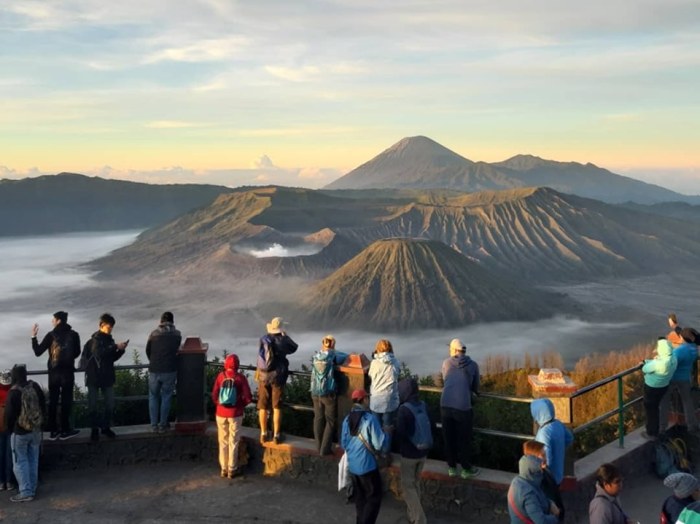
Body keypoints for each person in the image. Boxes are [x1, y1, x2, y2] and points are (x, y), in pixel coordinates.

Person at [30, 311, 81, 440]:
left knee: (53, 401)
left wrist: (33, 337)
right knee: (66, 401)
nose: (52, 321)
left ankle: (53, 431)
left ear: (58, 320)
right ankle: (65, 430)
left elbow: (38, 352)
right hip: (68, 372)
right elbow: (77, 352)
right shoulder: (74, 335)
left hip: (54, 373)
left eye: (53, 319)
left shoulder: (50, 335)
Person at [341, 389, 388, 524]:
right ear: (363, 400)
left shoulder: (346, 419)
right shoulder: (369, 419)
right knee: (374, 497)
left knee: (360, 499)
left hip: (353, 466)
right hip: (368, 466)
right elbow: (379, 444)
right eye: (367, 398)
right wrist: (388, 434)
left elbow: (344, 444)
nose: (369, 400)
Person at [80, 312, 128, 442]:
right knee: (93, 405)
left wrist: (121, 350)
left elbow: (111, 358)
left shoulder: (109, 340)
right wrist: (115, 346)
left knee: (110, 404)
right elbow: (99, 353)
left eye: (112, 326)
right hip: (93, 377)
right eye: (109, 326)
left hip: (106, 376)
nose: (111, 328)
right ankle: (94, 429)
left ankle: (105, 427)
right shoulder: (95, 340)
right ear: (101, 325)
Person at [4, 364, 46, 503]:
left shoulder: (14, 392)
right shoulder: (35, 387)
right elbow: (43, 404)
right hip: (35, 430)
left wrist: (11, 430)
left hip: (20, 432)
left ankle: (25, 492)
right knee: (33, 459)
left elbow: (9, 415)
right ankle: (32, 488)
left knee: (20, 462)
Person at [440, 338, 480, 478]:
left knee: (448, 437)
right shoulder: (473, 365)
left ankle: (451, 467)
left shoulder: (446, 363)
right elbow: (475, 387)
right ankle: (465, 469)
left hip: (445, 404)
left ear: (453, 350)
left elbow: (446, 380)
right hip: (463, 406)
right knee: (464, 438)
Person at [256, 317, 298, 445]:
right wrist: (286, 336)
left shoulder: (264, 339)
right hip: (278, 376)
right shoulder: (282, 340)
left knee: (262, 405)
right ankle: (276, 435)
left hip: (263, 375)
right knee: (276, 406)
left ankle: (263, 433)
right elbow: (294, 347)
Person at [211, 353, 252, 479]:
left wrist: (219, 404)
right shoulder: (240, 378)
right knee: (233, 441)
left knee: (223, 441)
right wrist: (240, 405)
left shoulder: (220, 376)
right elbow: (248, 398)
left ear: (226, 364)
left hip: (221, 413)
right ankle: (232, 469)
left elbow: (214, 395)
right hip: (236, 413)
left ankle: (223, 468)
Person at [397, 377, 430, 524]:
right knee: (415, 483)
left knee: (407, 487)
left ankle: (419, 519)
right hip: (423, 452)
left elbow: (401, 433)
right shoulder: (423, 405)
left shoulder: (404, 410)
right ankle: (412, 515)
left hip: (409, 454)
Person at [310, 335, 348, 455]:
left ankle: (318, 446)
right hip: (328, 393)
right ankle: (324, 449)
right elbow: (347, 357)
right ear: (333, 344)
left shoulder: (316, 356)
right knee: (330, 421)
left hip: (315, 392)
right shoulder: (333, 356)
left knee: (318, 419)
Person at [145, 311, 182, 433]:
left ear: (160, 321)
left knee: (153, 396)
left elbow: (148, 350)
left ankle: (154, 425)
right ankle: (162, 425)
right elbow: (178, 350)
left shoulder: (153, 334)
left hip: (155, 369)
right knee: (166, 397)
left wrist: (153, 361)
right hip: (170, 370)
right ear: (173, 321)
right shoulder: (177, 335)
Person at [507, 444, 559, 524]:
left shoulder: (516, 481)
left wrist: (549, 504)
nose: (544, 466)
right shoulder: (528, 494)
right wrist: (555, 518)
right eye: (539, 470)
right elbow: (541, 521)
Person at [660, 328, 699, 434]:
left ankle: (662, 427)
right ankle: (691, 425)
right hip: (685, 378)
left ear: (683, 338)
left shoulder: (681, 350)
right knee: (687, 402)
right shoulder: (694, 349)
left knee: (664, 401)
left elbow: (670, 362)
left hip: (672, 379)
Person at [530, 398, 574, 486]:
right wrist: (558, 448)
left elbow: (546, 459)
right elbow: (569, 438)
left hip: (547, 480)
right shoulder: (557, 423)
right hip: (558, 475)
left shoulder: (544, 433)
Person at [641, 338, 677, 439]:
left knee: (650, 409)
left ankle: (651, 432)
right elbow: (655, 363)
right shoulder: (673, 358)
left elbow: (645, 369)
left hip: (652, 388)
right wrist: (651, 360)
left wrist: (646, 362)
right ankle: (656, 430)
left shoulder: (660, 363)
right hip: (663, 386)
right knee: (656, 408)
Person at [368, 339, 400, 442]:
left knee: (376, 427)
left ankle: (376, 450)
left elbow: (370, 375)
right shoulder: (395, 362)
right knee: (388, 427)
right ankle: (385, 452)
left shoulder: (374, 363)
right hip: (389, 399)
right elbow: (397, 374)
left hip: (376, 399)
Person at [0, 369, 16, 491]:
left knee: (1, 455)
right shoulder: (13, 390)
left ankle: (1, 481)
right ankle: (9, 481)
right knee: (9, 455)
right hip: (10, 427)